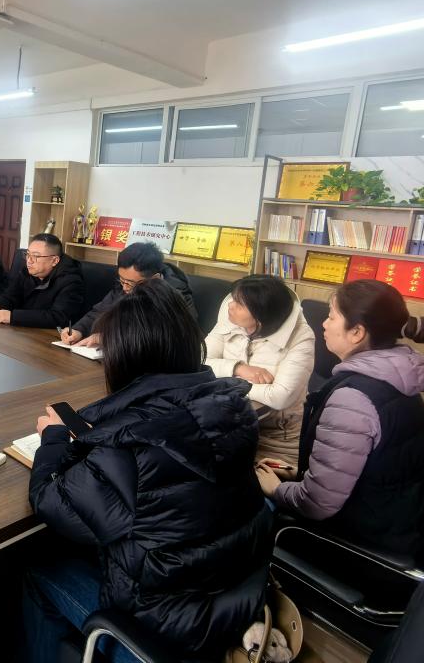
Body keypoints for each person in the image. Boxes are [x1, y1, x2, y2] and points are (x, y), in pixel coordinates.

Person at [25, 280, 272, 662]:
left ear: (125, 359)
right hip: (234, 599)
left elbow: (50, 500)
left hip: (166, 626)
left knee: (39, 571)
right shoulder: (231, 409)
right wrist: (105, 434)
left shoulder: (130, 449)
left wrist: (55, 438)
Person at [256, 279, 424, 570]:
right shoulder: (399, 375)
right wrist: (303, 472)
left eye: (331, 316)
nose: (324, 324)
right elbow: (381, 463)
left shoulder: (353, 398)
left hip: (372, 547)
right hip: (414, 524)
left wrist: (276, 489)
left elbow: (317, 503)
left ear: (357, 332)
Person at [205, 275, 315, 466]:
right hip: (229, 428)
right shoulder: (229, 319)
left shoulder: (301, 337)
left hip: (276, 440)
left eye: (239, 304)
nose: (230, 305)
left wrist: (227, 383)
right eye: (233, 299)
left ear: (260, 317)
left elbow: (280, 396)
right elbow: (200, 361)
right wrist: (238, 368)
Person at [60, 241, 196, 347]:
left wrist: (108, 338)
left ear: (155, 278)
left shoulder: (175, 296)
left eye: (130, 283)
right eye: (121, 280)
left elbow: (165, 338)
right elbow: (101, 311)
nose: (124, 287)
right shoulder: (125, 284)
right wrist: (79, 330)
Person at [0, 234, 85, 328]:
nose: (29, 261)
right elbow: (10, 296)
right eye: (27, 254)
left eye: (36, 256)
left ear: (54, 260)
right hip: (22, 330)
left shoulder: (71, 281)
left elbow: (59, 317)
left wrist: (13, 317)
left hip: (49, 336)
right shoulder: (28, 271)